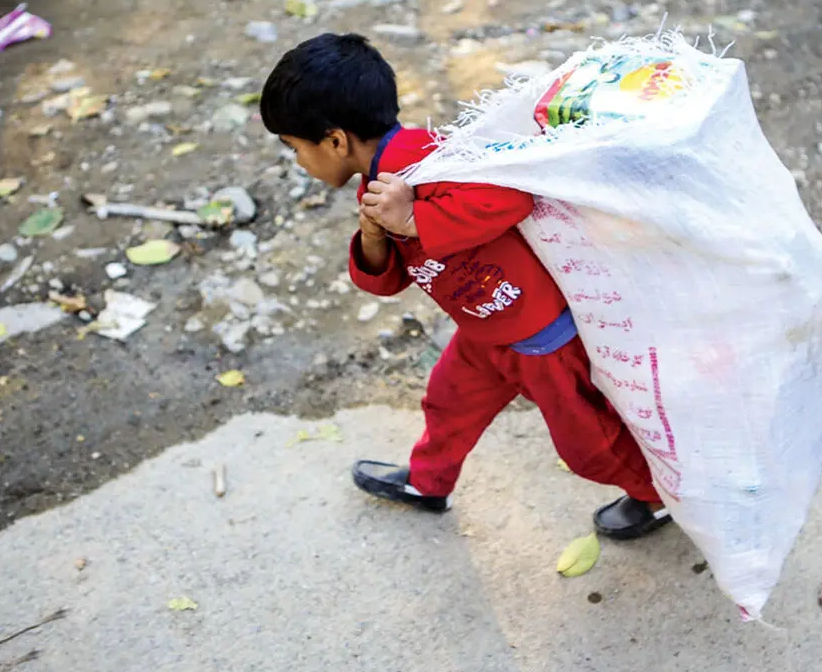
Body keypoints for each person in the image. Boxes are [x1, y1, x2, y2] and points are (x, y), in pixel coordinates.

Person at [259, 32, 671, 539]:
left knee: (590, 448)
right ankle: (428, 482)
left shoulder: (430, 159)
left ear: (335, 140)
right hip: (482, 332)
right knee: (447, 403)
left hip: (544, 342)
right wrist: (374, 235)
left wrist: (412, 219)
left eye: (296, 148)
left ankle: (657, 496)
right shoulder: (378, 184)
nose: (299, 162)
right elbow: (386, 279)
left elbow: (508, 200)